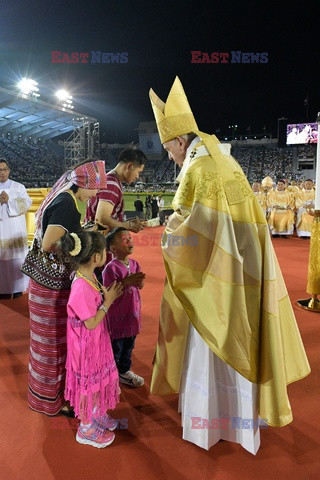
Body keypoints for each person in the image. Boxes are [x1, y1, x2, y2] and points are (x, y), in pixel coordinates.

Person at [149, 76, 310, 454]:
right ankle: (239, 420)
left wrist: (166, 231)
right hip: (245, 271)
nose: (169, 156)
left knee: (211, 341)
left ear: (176, 140)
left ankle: (211, 424)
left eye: (167, 149)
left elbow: (192, 234)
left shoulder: (198, 170)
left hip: (216, 282)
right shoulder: (225, 159)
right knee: (242, 335)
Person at [26, 159, 108, 416]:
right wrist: (84, 238)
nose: (95, 194)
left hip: (43, 281)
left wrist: (82, 231)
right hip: (49, 287)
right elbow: (51, 242)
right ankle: (50, 401)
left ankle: (46, 396)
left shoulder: (66, 199)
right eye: (95, 189)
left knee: (47, 343)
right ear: (84, 183)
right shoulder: (67, 206)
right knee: (53, 344)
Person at [56, 231, 123, 448]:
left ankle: (96, 412)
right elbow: (91, 322)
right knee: (89, 383)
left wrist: (104, 294)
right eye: (105, 251)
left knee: (97, 380)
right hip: (86, 345)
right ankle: (86, 427)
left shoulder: (87, 275)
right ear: (96, 256)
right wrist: (108, 302)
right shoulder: (81, 286)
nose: (107, 254)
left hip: (95, 343)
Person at [102, 227, 145, 388]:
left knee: (129, 345)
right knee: (116, 347)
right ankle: (110, 375)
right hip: (117, 317)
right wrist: (125, 282)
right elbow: (108, 292)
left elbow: (140, 286)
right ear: (113, 249)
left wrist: (139, 280)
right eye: (125, 240)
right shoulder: (111, 268)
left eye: (130, 239)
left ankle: (124, 371)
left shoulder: (135, 264)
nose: (130, 242)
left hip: (132, 314)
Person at [85, 148, 147, 243]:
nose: (138, 177)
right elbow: (101, 220)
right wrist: (130, 225)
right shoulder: (111, 184)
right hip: (101, 245)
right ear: (129, 166)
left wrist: (126, 221)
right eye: (139, 172)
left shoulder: (109, 179)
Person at [0, 158, 32, 299]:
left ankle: (17, 288)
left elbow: (26, 204)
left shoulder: (18, 187)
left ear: (9, 170)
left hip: (15, 231)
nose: (2, 172)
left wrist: (9, 201)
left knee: (16, 261)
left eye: (4, 169)